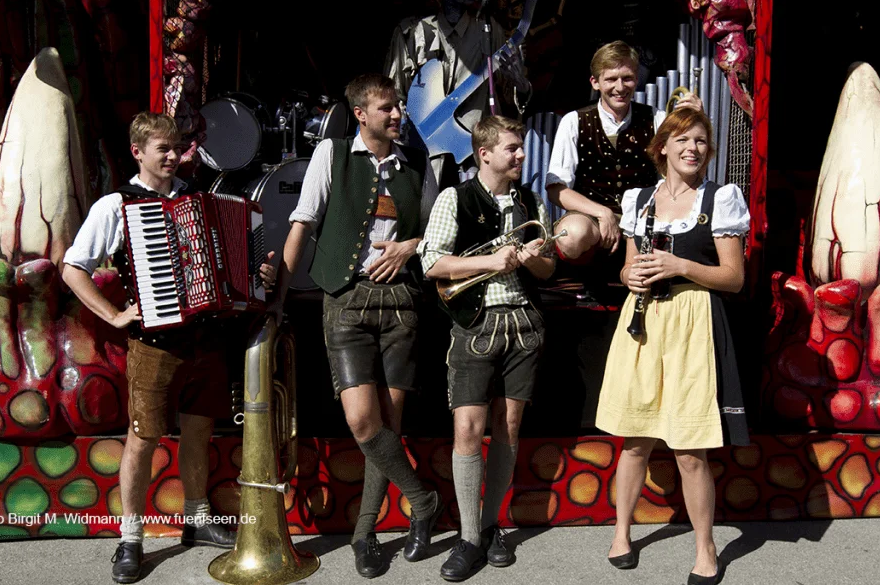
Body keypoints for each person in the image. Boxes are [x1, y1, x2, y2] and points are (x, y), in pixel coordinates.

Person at [61, 112, 277, 584]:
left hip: (207, 338)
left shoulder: (201, 199)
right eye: (163, 149)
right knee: (143, 438)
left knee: (199, 431)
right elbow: (73, 268)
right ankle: (130, 536)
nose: (173, 156)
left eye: (177, 148)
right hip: (154, 344)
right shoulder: (116, 205)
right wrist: (114, 315)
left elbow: (236, 265)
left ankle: (196, 519)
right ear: (137, 152)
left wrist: (257, 275)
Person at [277, 73, 442, 578]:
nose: (397, 114)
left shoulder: (420, 164)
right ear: (361, 114)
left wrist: (409, 246)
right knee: (363, 422)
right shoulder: (331, 154)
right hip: (346, 300)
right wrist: (278, 300)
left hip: (401, 304)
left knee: (389, 426)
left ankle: (364, 534)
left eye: (398, 106)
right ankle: (424, 500)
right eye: (387, 107)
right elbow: (303, 223)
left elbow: (437, 234)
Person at [594, 107, 750, 585]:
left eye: (700, 141)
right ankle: (621, 533)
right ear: (662, 147)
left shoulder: (720, 198)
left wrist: (680, 266)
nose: (692, 148)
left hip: (692, 323)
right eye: (682, 140)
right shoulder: (638, 199)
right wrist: (630, 275)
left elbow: (734, 278)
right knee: (635, 439)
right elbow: (627, 267)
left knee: (688, 449)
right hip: (643, 323)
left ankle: (706, 548)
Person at [420, 115, 555, 582]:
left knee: (508, 427)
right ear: (485, 153)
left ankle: (491, 524)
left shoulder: (531, 201)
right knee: (467, 430)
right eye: (512, 148)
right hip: (476, 323)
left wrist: (534, 260)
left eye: (520, 147)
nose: (520, 155)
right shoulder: (454, 197)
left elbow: (548, 270)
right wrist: (491, 261)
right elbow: (432, 263)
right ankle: (469, 538)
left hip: (523, 324)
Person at [546, 40, 702, 265]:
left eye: (627, 78)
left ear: (637, 79)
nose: (620, 87)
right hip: (592, 220)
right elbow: (556, 190)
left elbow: (685, 174)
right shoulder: (573, 121)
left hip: (646, 217)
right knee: (572, 235)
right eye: (611, 79)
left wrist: (695, 121)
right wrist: (602, 213)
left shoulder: (657, 118)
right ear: (595, 82)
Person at [385, 0, 531, 173]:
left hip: (474, 150)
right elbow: (392, 92)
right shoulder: (412, 31)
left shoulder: (489, 31)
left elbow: (508, 94)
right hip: (421, 147)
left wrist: (521, 85)